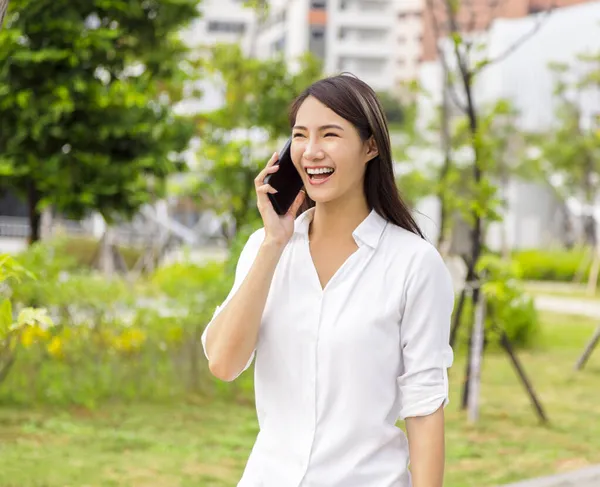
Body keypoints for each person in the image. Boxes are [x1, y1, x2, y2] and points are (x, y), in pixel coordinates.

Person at [201, 73, 455, 487]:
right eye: (300, 135)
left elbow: (425, 408)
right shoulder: (264, 249)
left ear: (370, 145)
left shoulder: (414, 264)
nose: (312, 151)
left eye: (330, 134)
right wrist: (273, 244)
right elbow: (224, 363)